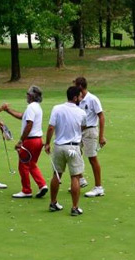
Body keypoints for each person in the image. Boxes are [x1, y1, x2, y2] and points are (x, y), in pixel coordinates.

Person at [44, 86, 86, 216]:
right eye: (79, 96)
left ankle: (53, 203)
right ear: (75, 97)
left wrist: (47, 143)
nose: (81, 98)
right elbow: (83, 127)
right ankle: (74, 207)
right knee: (75, 177)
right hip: (73, 147)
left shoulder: (57, 108)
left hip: (59, 146)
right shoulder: (81, 112)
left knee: (57, 175)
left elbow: (51, 128)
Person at [4, 86, 48, 198]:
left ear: (32, 96)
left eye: (28, 94)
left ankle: (26, 190)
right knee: (32, 164)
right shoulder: (37, 107)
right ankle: (42, 185)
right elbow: (22, 117)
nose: (26, 96)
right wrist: (8, 110)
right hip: (38, 140)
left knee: (23, 165)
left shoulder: (31, 107)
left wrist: (20, 141)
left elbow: (29, 124)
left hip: (30, 141)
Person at [75, 77, 107, 197]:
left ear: (81, 87)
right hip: (79, 132)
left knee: (92, 158)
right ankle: (81, 179)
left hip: (90, 131)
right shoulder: (77, 100)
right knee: (74, 153)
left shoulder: (92, 99)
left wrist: (101, 136)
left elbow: (101, 116)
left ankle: (98, 187)